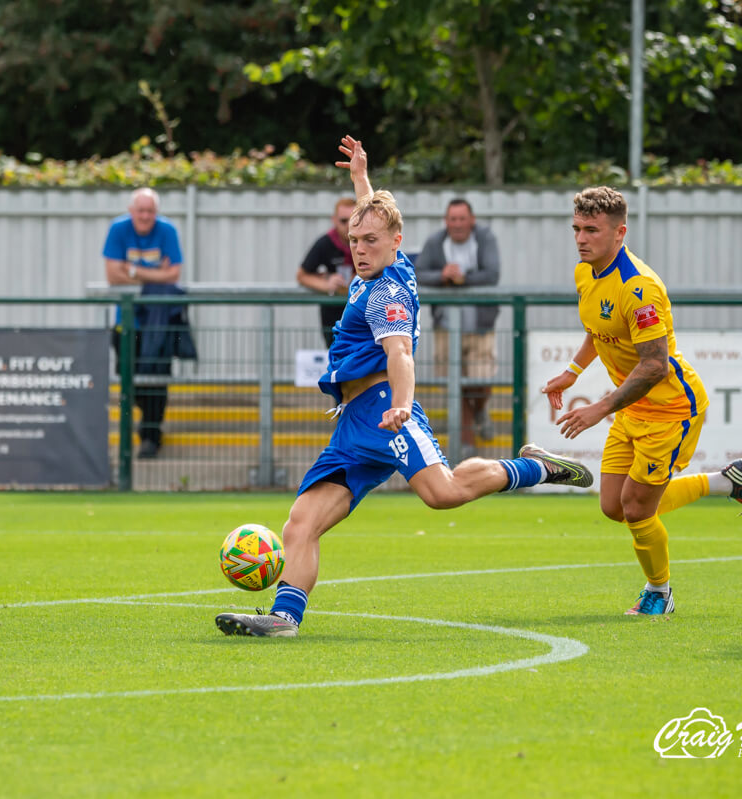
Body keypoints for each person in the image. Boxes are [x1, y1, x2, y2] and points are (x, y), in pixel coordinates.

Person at [215, 136, 594, 638]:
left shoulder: (387, 291)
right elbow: (374, 217)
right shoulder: (386, 264)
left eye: (369, 241)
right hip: (352, 424)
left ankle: (536, 466)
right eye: (353, 240)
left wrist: (401, 406)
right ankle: (284, 619)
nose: (359, 249)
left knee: (443, 494)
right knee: (299, 523)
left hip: (383, 409)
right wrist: (360, 179)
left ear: (397, 241)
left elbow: (401, 355)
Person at [538, 186, 742, 617]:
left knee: (637, 508)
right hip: (632, 406)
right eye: (576, 229)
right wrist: (572, 370)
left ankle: (659, 592)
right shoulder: (585, 273)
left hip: (672, 409)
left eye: (592, 230)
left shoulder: (640, 287)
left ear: (620, 232)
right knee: (613, 506)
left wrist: (600, 407)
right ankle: (727, 481)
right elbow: (600, 329)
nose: (581, 239)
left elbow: (655, 365)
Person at [103, 188, 187, 459]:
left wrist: (132, 270)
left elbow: (174, 274)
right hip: (127, 322)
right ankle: (144, 428)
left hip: (160, 324)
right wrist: (155, 275)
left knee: (158, 381)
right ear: (131, 211)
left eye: (150, 211)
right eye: (140, 210)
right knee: (130, 379)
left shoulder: (167, 230)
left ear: (156, 212)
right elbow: (112, 276)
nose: (145, 216)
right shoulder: (118, 229)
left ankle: (151, 435)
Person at [415, 199, 502, 449]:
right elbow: (419, 273)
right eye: (452, 219)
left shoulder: (485, 239)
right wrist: (443, 275)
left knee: (481, 380)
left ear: (471, 220)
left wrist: (464, 279)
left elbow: (492, 274)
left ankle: (480, 412)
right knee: (455, 383)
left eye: (462, 219)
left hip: (480, 325)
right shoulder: (435, 242)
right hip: (446, 326)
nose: (457, 224)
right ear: (446, 221)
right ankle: (467, 445)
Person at [297, 197, 357, 347]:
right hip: (333, 313)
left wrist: (359, 279)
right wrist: (327, 284)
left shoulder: (368, 242)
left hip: (362, 310)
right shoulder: (325, 243)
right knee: (336, 355)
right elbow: (302, 275)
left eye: (354, 220)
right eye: (344, 221)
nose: (349, 226)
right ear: (334, 220)